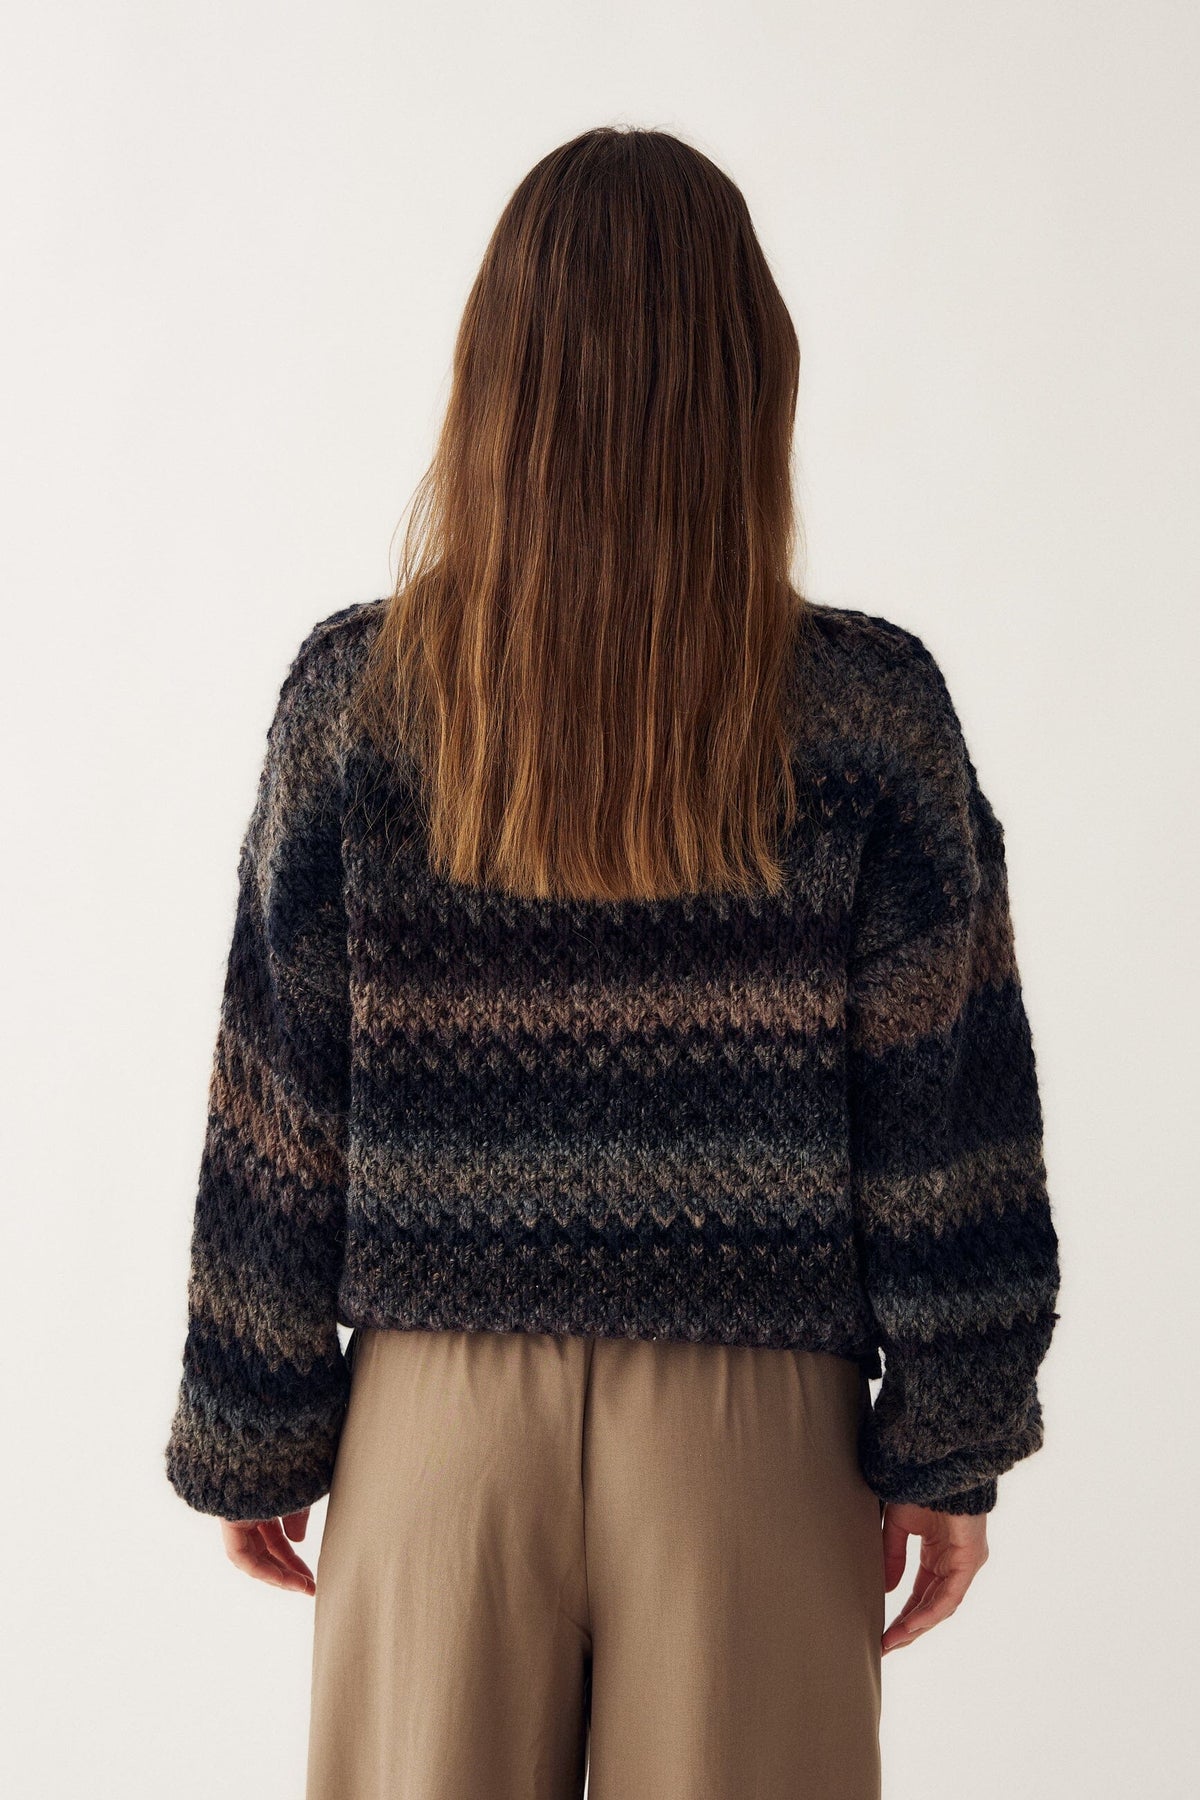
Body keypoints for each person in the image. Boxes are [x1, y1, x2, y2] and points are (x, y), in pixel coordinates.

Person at [163, 125, 1061, 1800]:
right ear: (753, 379)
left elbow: (282, 1102)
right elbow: (945, 1119)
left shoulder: (358, 701)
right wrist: (950, 1441)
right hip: (756, 1448)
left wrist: (255, 1421)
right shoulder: (871, 713)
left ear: (492, 378)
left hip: (433, 1435)